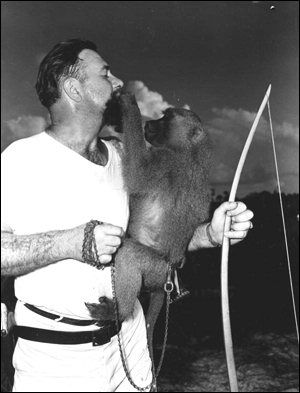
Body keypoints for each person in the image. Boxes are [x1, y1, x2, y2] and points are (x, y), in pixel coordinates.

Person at [1, 39, 254, 392]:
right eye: (105, 73)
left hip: (129, 346)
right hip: (56, 363)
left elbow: (155, 229)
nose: (119, 82)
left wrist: (209, 234)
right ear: (73, 89)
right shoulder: (20, 160)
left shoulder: (122, 155)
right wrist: (70, 243)